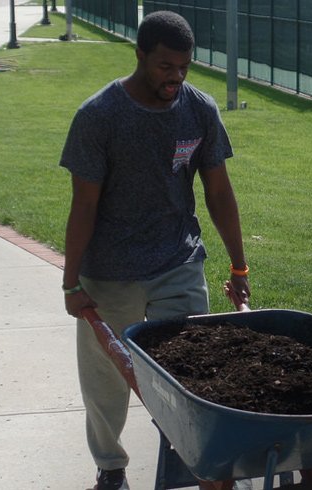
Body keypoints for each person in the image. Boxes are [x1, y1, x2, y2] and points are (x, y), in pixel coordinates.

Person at [59, 10, 253, 490]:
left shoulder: (198, 108)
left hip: (178, 260)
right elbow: (83, 205)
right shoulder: (99, 116)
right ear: (140, 55)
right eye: (166, 66)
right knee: (107, 382)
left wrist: (239, 263)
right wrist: (70, 283)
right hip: (110, 271)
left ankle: (198, 465)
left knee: (194, 373)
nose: (177, 77)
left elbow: (219, 192)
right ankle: (110, 467)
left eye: (185, 66)